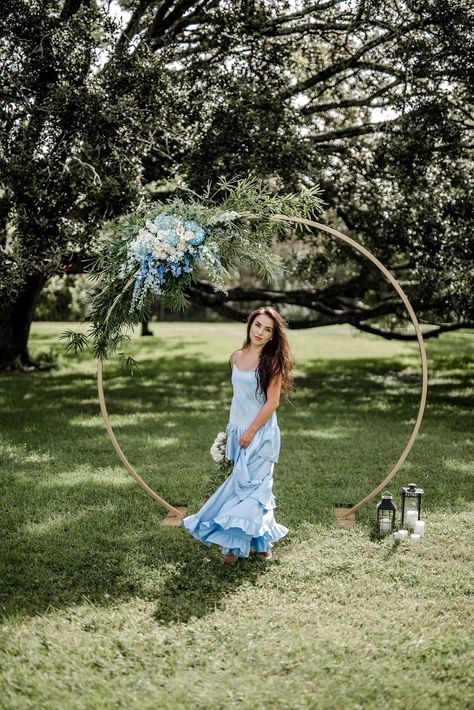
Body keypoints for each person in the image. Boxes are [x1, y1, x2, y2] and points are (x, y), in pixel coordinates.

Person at [181, 306, 293, 564]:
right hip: (238, 431)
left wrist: (252, 431)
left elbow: (272, 402)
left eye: (268, 329)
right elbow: (239, 398)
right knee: (238, 489)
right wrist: (234, 431)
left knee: (255, 490)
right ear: (250, 325)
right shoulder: (235, 357)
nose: (261, 332)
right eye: (258, 325)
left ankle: (236, 547)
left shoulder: (272, 362)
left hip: (261, 433)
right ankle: (259, 542)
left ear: (273, 336)